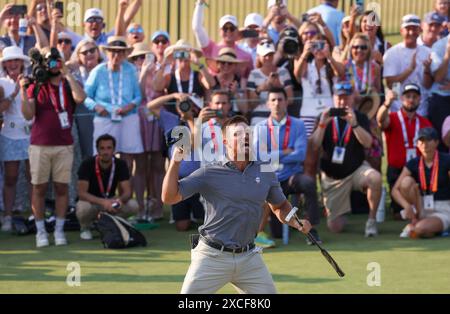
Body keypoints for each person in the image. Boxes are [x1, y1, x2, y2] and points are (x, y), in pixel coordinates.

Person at [162, 114, 312, 294]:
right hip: (212, 256)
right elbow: (170, 197)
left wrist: (296, 221)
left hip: (249, 258)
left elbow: (279, 206)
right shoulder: (209, 172)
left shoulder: (264, 169)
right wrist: (175, 161)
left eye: (247, 132)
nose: (245, 136)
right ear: (225, 142)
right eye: (238, 134)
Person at [20, 48, 86, 247]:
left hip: (64, 144)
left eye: (57, 62)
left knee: (61, 187)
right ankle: (40, 231)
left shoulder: (66, 83)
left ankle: (58, 230)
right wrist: (23, 89)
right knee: (38, 188)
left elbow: (80, 98)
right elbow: (28, 115)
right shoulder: (37, 85)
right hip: (40, 144)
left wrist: (66, 72)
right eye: (50, 62)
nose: (53, 66)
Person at [84, 36, 145, 217]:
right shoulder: (98, 71)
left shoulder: (131, 70)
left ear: (126, 54)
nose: (116, 55)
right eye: (113, 52)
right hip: (104, 118)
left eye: (120, 52)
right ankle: (99, 205)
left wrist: (130, 106)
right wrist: (96, 106)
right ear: (107, 52)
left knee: (127, 161)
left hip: (127, 118)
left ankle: (124, 203)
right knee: (101, 158)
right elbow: (85, 96)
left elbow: (138, 97)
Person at [310, 80, 381, 236]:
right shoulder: (323, 116)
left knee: (375, 178)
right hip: (332, 177)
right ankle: (341, 209)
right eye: (339, 97)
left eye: (346, 98)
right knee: (335, 227)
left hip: (356, 170)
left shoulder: (360, 117)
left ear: (352, 99)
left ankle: (372, 220)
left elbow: (368, 143)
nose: (342, 101)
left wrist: (354, 124)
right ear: (334, 98)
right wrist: (322, 125)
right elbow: (314, 146)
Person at [254, 87, 321, 245]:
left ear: (287, 102)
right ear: (268, 104)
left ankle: (312, 228)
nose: (277, 103)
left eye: (280, 99)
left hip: (291, 176)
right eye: (273, 100)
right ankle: (277, 227)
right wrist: (285, 152)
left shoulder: (298, 125)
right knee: (277, 232)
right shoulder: (260, 127)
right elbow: (259, 157)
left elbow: (300, 154)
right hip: (270, 178)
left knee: (308, 182)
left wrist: (273, 154)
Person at [147, 92, 203, 231]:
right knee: (181, 226)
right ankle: (188, 217)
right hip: (178, 178)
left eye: (187, 103)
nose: (184, 106)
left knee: (204, 221)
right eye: (181, 104)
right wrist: (174, 95)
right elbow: (150, 106)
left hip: (200, 179)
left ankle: (197, 217)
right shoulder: (170, 119)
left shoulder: (202, 121)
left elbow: (196, 142)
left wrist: (190, 119)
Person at [377, 84, 433, 220]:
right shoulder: (393, 118)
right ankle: (411, 210)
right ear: (402, 99)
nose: (411, 100)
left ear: (420, 99)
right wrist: (386, 104)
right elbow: (380, 120)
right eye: (408, 97)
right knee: (399, 215)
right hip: (396, 170)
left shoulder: (425, 122)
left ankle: (416, 210)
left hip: (418, 170)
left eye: (414, 97)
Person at [76, 134, 139, 240]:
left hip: (111, 201)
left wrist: (119, 201)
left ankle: (115, 223)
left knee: (133, 205)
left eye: (109, 148)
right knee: (83, 207)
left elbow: (128, 192)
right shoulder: (87, 164)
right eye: (102, 148)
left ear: (114, 150)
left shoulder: (120, 164)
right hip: (93, 203)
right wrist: (103, 202)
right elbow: (82, 193)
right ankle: (85, 227)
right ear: (97, 150)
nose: (106, 152)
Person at [392, 127, 450, 238]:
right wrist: (407, 206)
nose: (424, 144)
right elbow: (395, 190)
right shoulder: (413, 163)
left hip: (443, 208)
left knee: (419, 229)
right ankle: (418, 221)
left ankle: (419, 227)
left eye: (428, 140)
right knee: (406, 182)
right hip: (421, 206)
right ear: (417, 144)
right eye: (421, 141)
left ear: (437, 142)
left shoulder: (447, 160)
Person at [0, 47, 33, 232]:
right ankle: (8, 215)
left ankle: (34, 214)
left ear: (22, 63)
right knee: (11, 177)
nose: (13, 64)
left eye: (16, 61)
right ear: (5, 64)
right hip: (9, 135)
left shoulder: (31, 81)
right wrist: (14, 92)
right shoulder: (1, 83)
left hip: (30, 134)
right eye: (9, 61)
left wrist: (24, 87)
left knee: (32, 177)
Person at [383, 14, 432, 116]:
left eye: (414, 29)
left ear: (419, 30)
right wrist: (409, 70)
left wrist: (427, 70)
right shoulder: (392, 53)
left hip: (422, 110)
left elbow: (428, 85)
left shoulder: (428, 53)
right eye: (407, 29)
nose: (411, 32)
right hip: (398, 110)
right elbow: (391, 84)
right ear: (401, 31)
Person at [192, 0, 253, 79]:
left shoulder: (246, 56)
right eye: (225, 28)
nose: (228, 31)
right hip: (213, 89)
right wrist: (200, 4)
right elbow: (197, 28)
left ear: (237, 30)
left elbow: (250, 79)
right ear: (219, 31)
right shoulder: (210, 48)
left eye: (232, 28)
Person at [153, 39, 214, 114]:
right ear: (174, 56)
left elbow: (211, 84)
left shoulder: (198, 76)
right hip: (175, 119)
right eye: (179, 53)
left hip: (196, 118)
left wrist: (198, 63)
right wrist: (164, 63)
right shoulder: (170, 77)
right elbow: (156, 87)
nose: (183, 56)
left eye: (186, 53)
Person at [247, 39, 293, 125]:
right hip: (258, 119)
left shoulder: (283, 72)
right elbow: (250, 104)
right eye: (265, 55)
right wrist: (260, 89)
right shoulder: (253, 74)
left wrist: (280, 87)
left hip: (280, 118)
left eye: (270, 54)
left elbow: (290, 100)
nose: (268, 58)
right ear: (258, 56)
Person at [427, 22, 450, 152]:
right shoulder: (439, 46)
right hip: (441, 99)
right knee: (442, 145)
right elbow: (438, 78)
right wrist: (447, 55)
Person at [205, 47, 247, 114]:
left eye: (230, 63)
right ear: (218, 64)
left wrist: (236, 94)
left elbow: (245, 110)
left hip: (236, 119)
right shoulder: (212, 81)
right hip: (216, 117)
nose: (226, 65)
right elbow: (207, 106)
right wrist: (221, 93)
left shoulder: (241, 82)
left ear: (235, 65)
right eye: (223, 62)